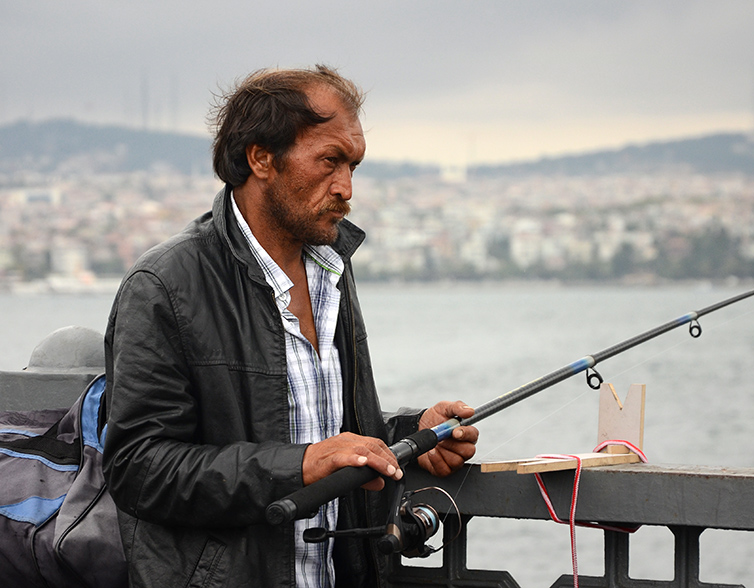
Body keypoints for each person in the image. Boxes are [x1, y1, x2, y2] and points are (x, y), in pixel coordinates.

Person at [102, 65, 479, 588]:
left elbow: (318, 429)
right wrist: (299, 467)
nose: (346, 188)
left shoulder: (331, 270)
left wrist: (413, 435)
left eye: (353, 166)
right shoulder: (166, 284)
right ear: (261, 158)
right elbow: (139, 468)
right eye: (329, 161)